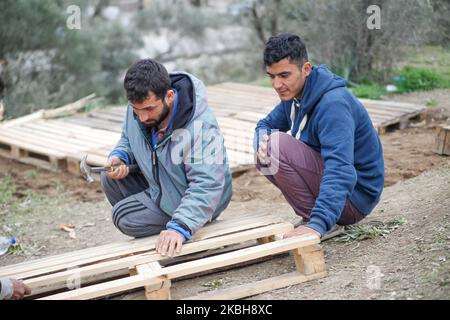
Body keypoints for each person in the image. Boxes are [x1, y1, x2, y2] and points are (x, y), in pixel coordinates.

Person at [255, 33, 384, 239]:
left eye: (284, 75)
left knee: (276, 146)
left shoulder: (333, 104)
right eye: (272, 76)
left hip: (355, 199)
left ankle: (321, 221)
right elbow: (265, 124)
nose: (277, 84)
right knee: (264, 151)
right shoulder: (294, 94)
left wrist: (319, 223)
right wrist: (261, 140)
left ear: (306, 69)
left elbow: (340, 167)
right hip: (337, 193)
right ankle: (314, 217)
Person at [101, 59, 232, 257]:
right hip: (165, 183)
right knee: (109, 178)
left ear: (169, 96)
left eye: (149, 109)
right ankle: (168, 227)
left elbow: (207, 184)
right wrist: (120, 156)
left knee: (124, 217)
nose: (143, 118)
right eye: (137, 110)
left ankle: (185, 223)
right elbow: (128, 139)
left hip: (206, 198)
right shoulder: (139, 106)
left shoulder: (201, 127)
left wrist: (179, 226)